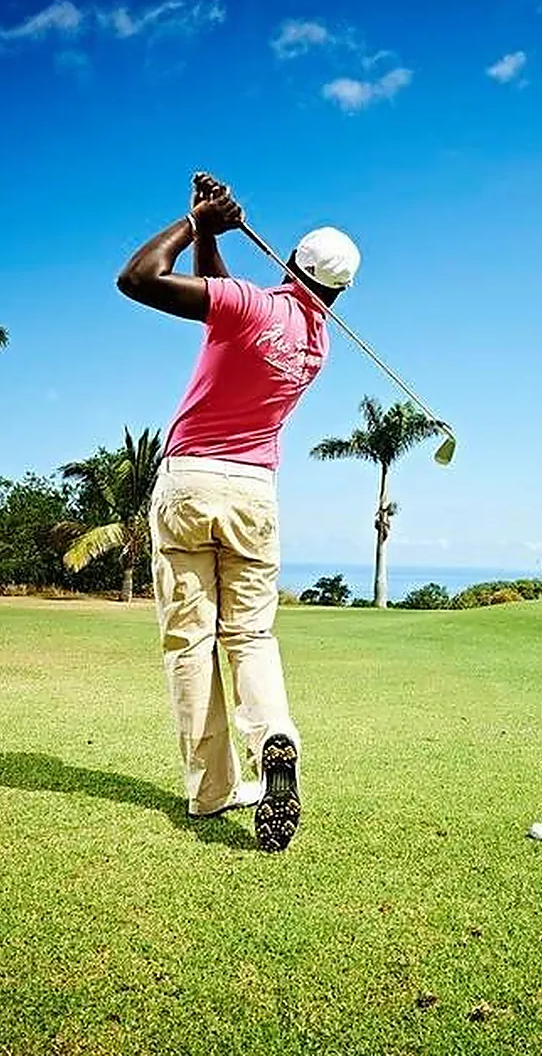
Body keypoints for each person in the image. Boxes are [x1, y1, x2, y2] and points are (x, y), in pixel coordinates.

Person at [116, 172, 361, 851]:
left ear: (289, 261)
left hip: (191, 482)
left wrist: (196, 222)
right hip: (255, 493)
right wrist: (216, 234)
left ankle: (212, 790)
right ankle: (273, 738)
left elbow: (136, 278)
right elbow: (221, 300)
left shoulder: (250, 306)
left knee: (190, 642)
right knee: (249, 637)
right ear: (340, 291)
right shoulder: (316, 345)